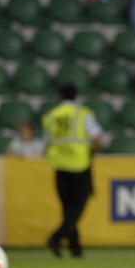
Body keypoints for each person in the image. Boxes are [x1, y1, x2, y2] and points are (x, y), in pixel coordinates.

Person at [42, 83, 105, 258]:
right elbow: (97, 138)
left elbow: (46, 143)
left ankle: (75, 247)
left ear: (60, 96)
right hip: (80, 164)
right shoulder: (82, 114)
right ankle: (57, 237)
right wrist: (91, 154)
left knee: (67, 207)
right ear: (76, 96)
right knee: (78, 205)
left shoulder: (51, 116)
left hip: (59, 165)